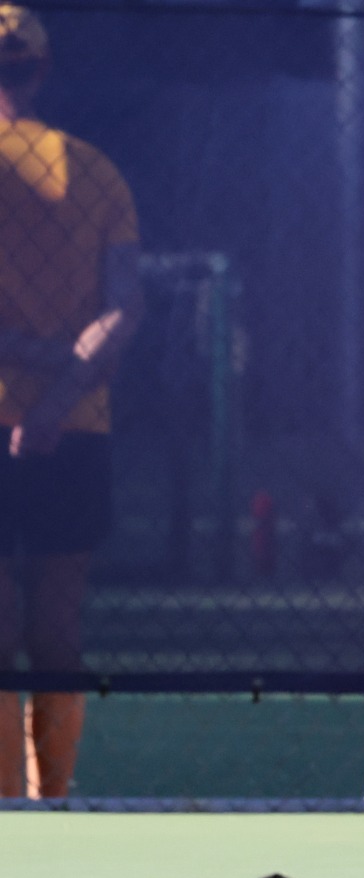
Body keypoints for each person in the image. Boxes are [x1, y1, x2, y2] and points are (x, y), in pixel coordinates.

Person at [0, 4, 141, 800]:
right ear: (42, 70)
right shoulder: (94, 171)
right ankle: (52, 796)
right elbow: (123, 311)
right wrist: (59, 392)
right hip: (78, 425)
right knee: (57, 629)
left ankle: (2, 804)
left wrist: (28, 366)